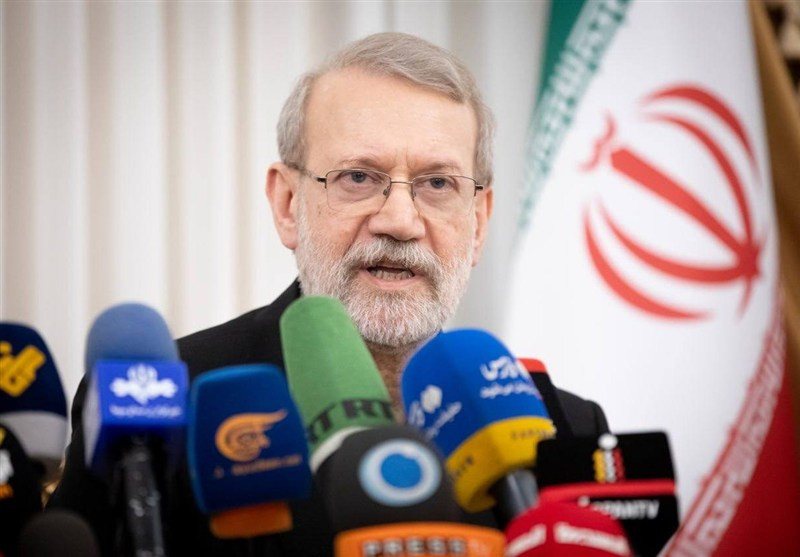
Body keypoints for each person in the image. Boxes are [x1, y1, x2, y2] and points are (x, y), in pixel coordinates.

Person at [50, 32, 609, 556]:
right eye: (358, 177)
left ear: (479, 222)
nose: (399, 221)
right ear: (287, 204)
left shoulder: (569, 430)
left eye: (438, 183)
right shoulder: (159, 411)